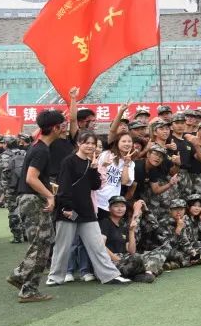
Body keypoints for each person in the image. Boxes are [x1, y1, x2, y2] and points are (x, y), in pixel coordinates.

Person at [45, 131, 132, 286]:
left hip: (87, 211)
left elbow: (96, 186)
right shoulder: (69, 161)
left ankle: (110, 275)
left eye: (93, 143)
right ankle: (55, 277)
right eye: (87, 143)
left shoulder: (91, 162)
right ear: (79, 143)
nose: (90, 146)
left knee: (97, 245)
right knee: (63, 246)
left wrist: (94, 168)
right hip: (69, 210)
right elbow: (64, 186)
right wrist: (66, 207)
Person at [8, 109, 69, 302]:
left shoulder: (39, 146)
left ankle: (25, 283)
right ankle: (23, 280)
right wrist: (50, 196)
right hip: (32, 199)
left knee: (44, 241)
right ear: (55, 128)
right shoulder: (41, 150)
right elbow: (31, 178)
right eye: (63, 124)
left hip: (31, 198)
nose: (66, 127)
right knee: (40, 243)